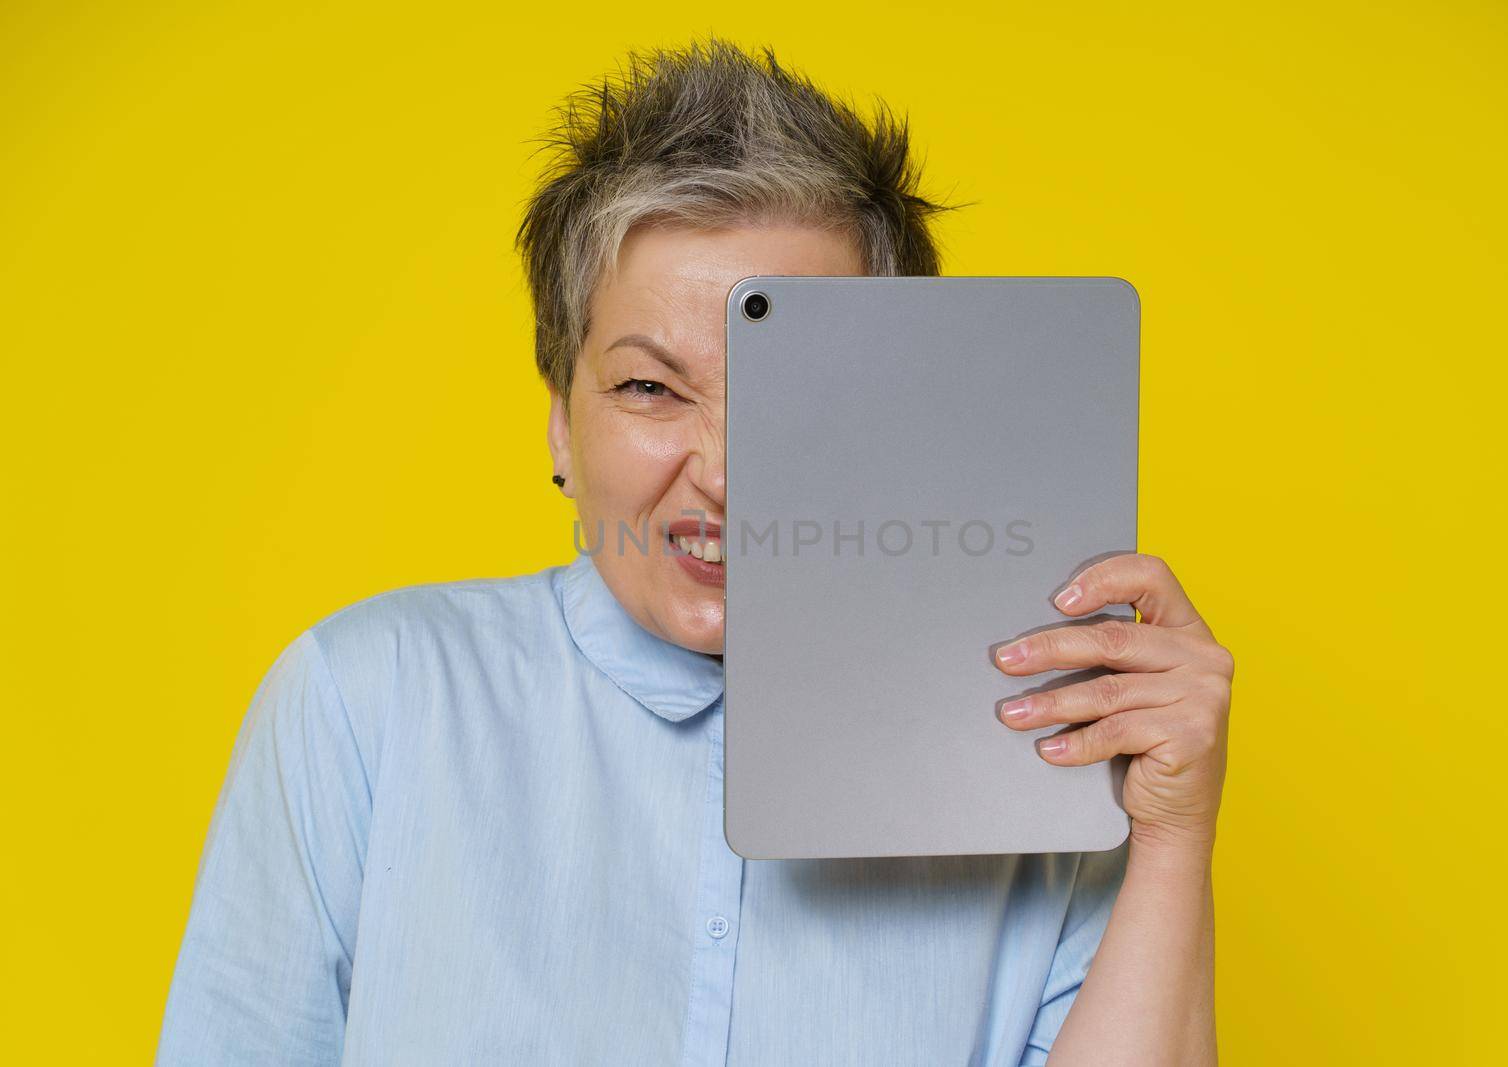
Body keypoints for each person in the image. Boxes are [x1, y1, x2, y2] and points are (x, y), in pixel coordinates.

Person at [156, 37, 1232, 1066]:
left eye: (797, 391)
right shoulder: (367, 701)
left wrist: (1173, 839)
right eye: (646, 387)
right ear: (559, 425)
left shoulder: (1044, 755)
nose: (723, 471)